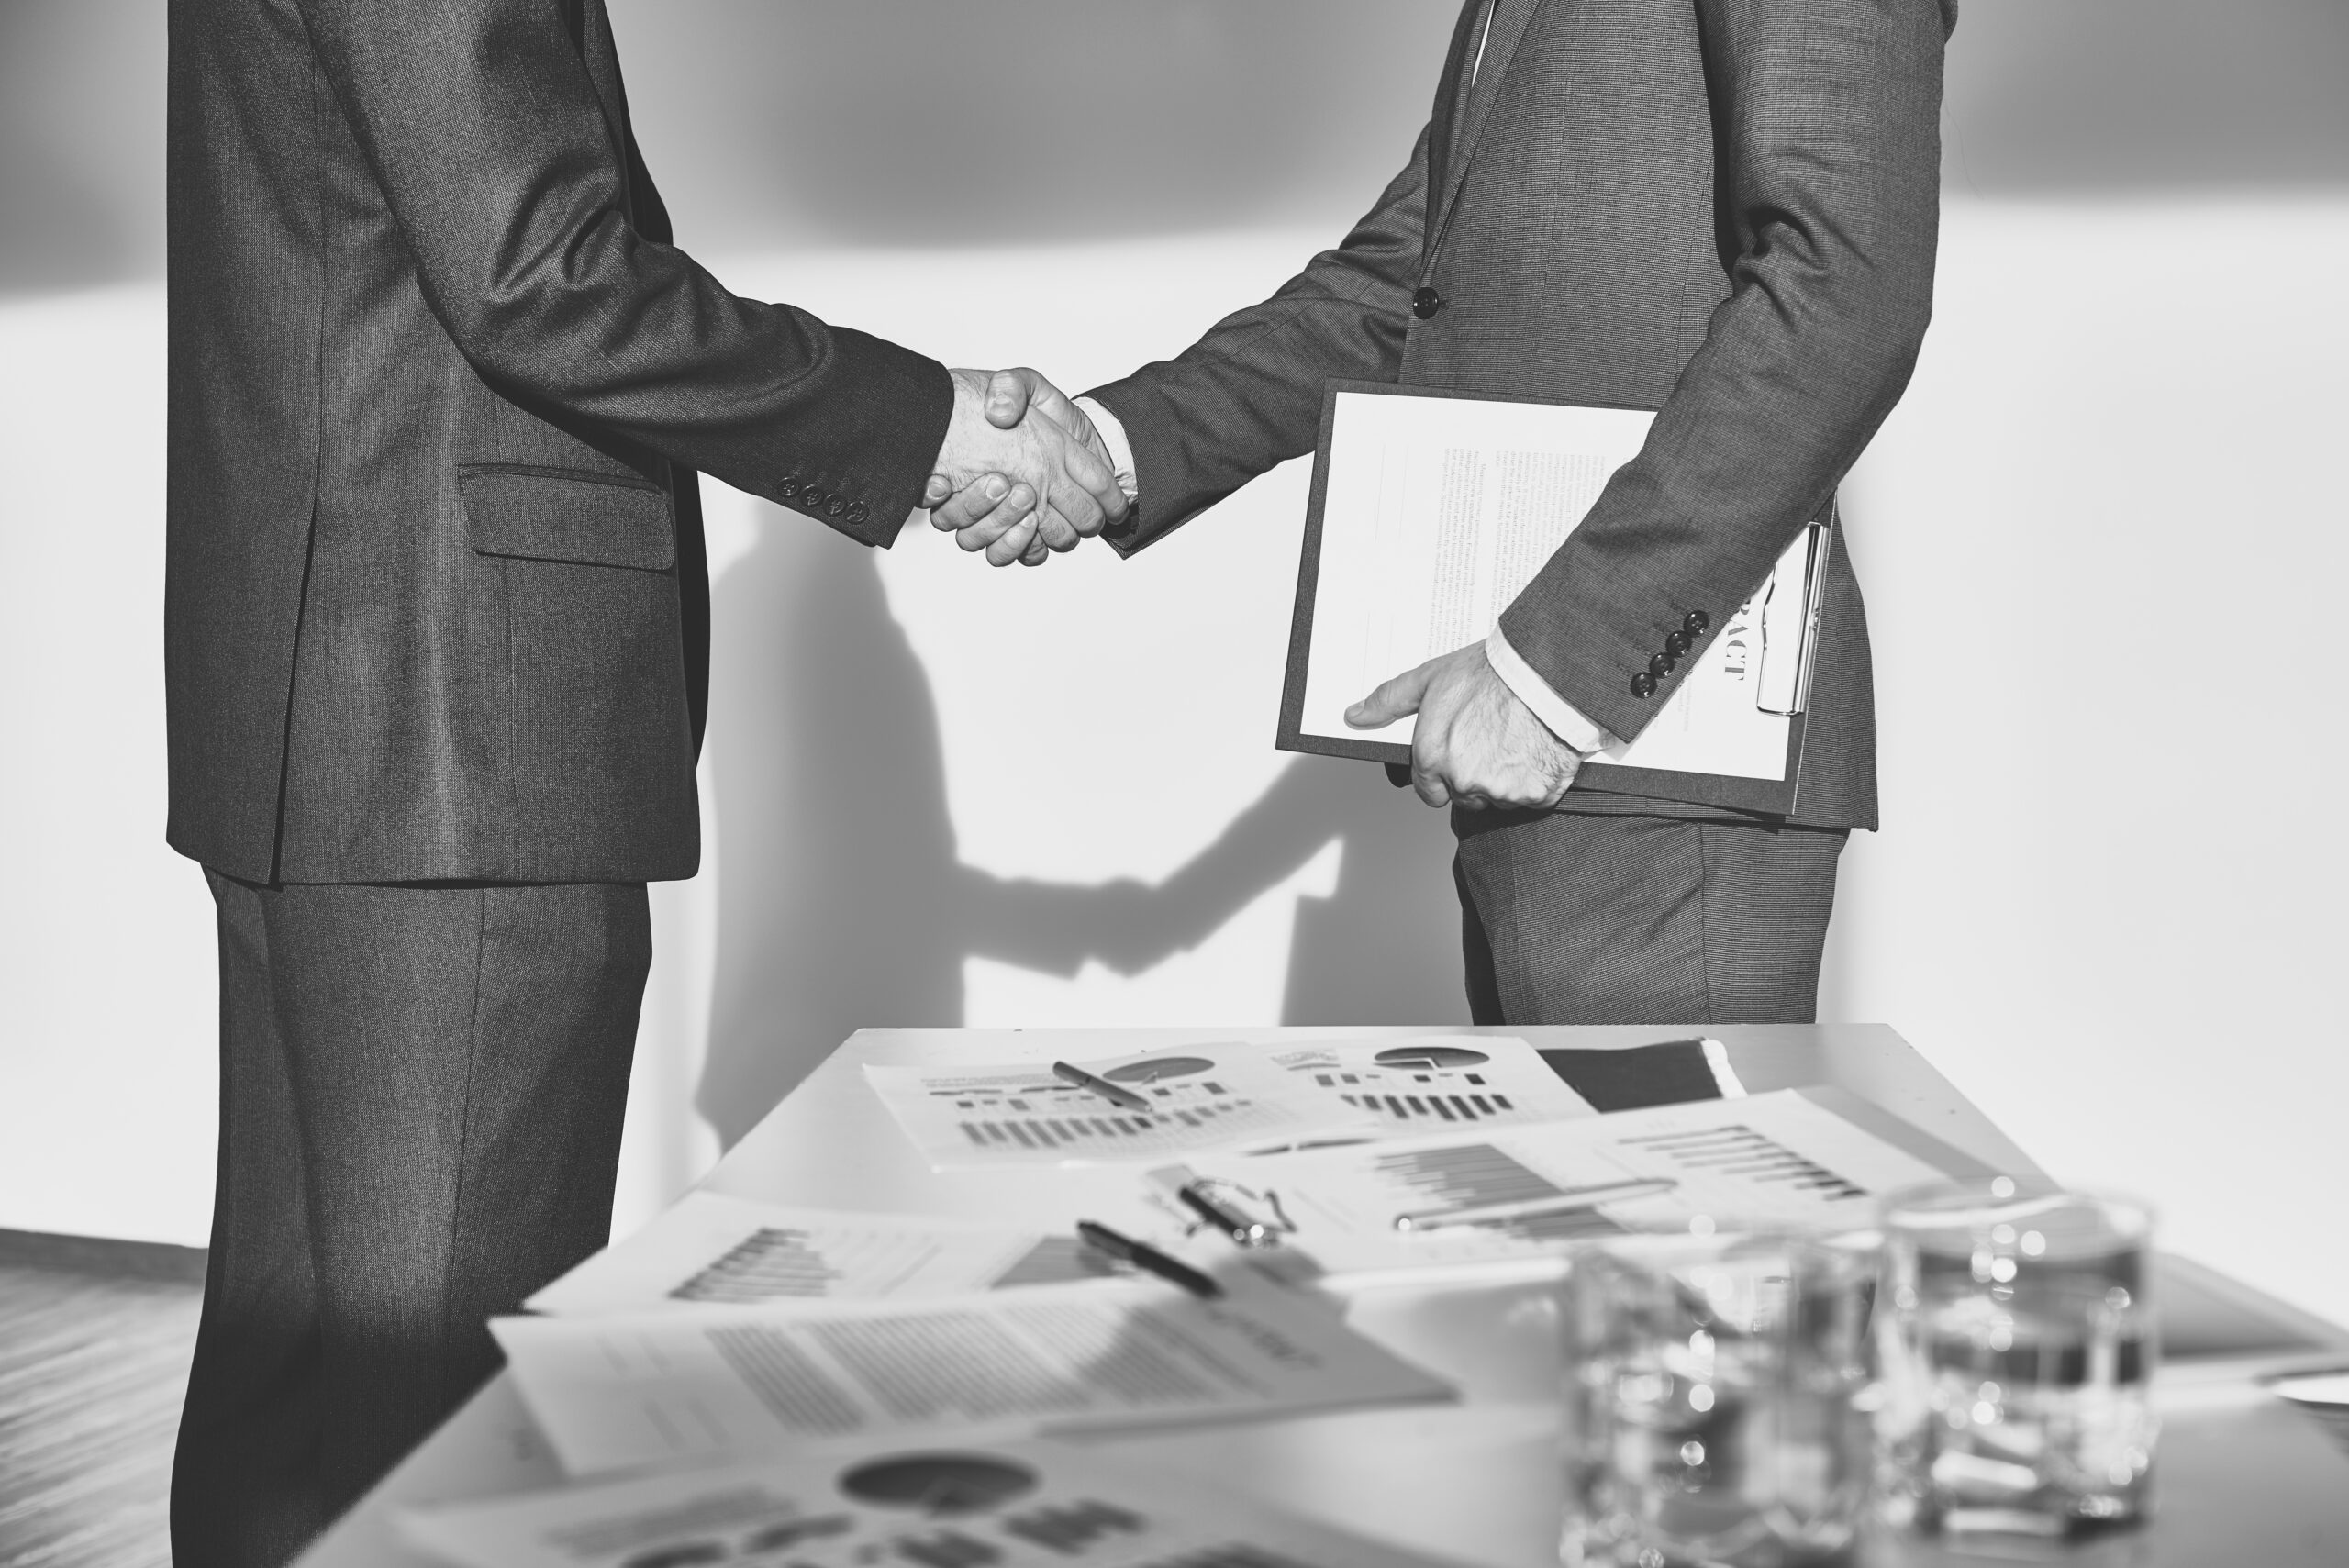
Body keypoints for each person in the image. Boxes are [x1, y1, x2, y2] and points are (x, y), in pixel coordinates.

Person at [163, 0, 1116, 1561]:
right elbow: (541, 277)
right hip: (458, 721)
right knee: (440, 1423)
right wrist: (928, 418)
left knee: (297, 1394)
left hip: (328, 702)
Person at [941, 0, 1956, 1028]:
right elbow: (1408, 281)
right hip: (1540, 743)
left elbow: (1845, 294)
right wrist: (1114, 447)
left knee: (1661, 1180)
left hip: (1651, 750)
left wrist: (1560, 672)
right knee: (1562, 1183)